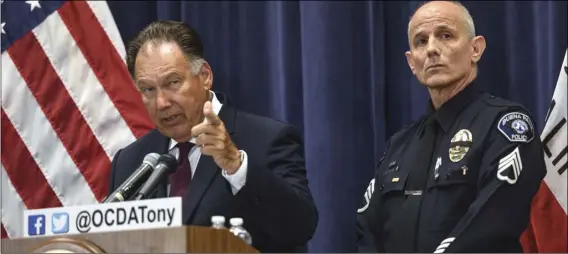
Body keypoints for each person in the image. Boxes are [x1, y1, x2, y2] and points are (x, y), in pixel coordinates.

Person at [107, 20, 318, 253]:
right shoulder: (131, 161)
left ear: (205, 75)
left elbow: (300, 227)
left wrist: (237, 166)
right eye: (148, 89)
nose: (161, 103)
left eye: (173, 82)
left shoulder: (267, 139)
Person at [356, 1, 547, 253]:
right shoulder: (399, 145)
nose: (432, 49)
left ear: (475, 48)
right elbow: (367, 230)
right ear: (412, 62)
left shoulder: (506, 126)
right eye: (421, 41)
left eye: (445, 35)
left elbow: (492, 224)